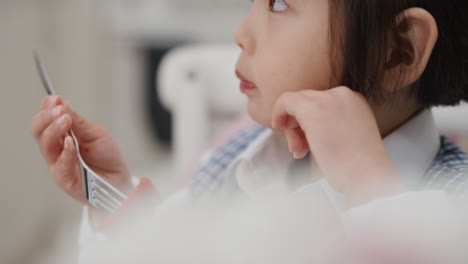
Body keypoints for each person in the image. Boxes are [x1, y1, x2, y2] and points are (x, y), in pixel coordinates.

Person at [30, 0, 468, 263]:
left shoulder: (454, 204)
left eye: (278, 3)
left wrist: (368, 181)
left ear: (398, 51)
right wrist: (115, 198)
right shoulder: (237, 163)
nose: (242, 32)